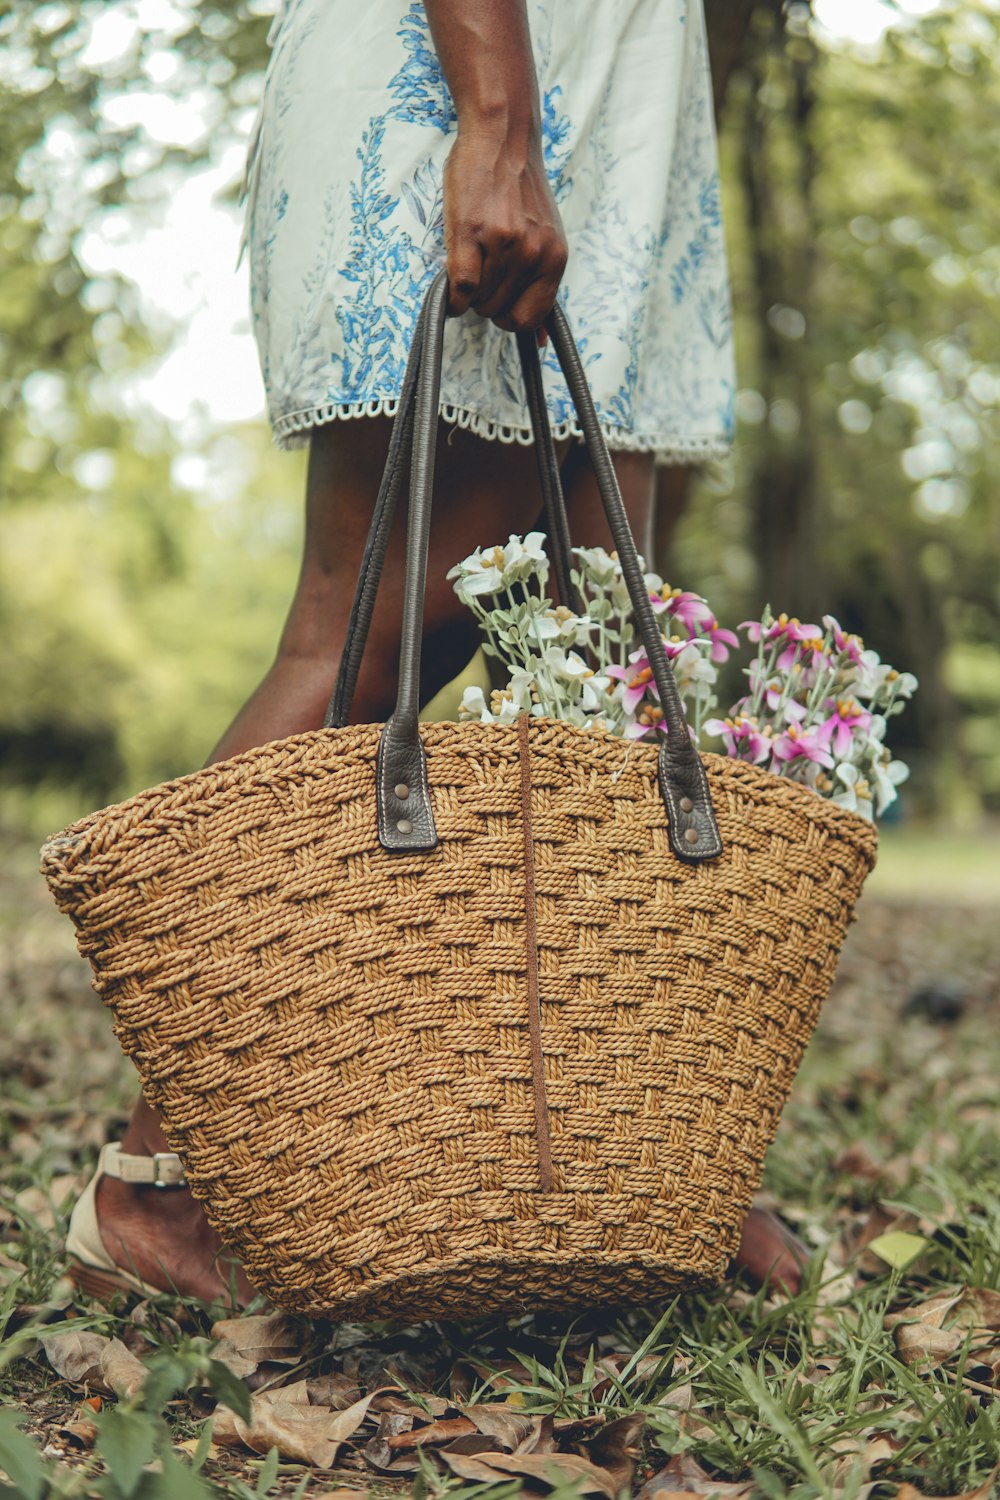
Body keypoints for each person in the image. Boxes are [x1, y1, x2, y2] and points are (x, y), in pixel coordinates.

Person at [66, 0, 805, 1304]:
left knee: (592, 652)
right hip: (480, 69)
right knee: (379, 628)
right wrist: (500, 119)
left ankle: (623, 1165)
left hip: (632, 103)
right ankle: (156, 1175)